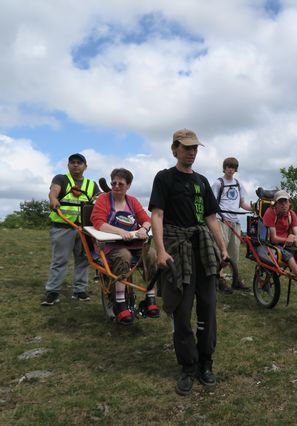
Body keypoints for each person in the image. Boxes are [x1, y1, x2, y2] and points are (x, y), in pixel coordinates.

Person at [149, 128, 230, 396]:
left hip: (202, 250)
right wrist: (160, 251)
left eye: (194, 148)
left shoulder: (202, 181)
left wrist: (222, 248)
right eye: (186, 147)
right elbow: (157, 216)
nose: (191, 152)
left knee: (207, 308)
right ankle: (187, 366)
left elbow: (210, 218)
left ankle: (206, 363)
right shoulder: (164, 178)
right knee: (181, 313)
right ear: (174, 149)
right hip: (176, 250)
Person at [91, 168, 159, 325]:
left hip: (133, 244)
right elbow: (98, 222)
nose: (116, 186)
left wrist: (143, 229)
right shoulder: (104, 200)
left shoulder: (132, 201)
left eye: (121, 183)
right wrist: (120, 232)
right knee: (124, 256)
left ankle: (150, 297)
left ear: (128, 185)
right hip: (110, 245)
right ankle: (120, 303)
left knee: (152, 255)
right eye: (113, 183)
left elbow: (145, 219)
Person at [41, 153, 100, 306]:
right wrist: (53, 199)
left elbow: (99, 198)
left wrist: (97, 199)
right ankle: (53, 292)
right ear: (68, 165)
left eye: (79, 163)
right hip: (63, 227)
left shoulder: (91, 184)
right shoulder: (61, 179)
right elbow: (53, 191)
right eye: (72, 162)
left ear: (85, 167)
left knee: (83, 261)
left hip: (84, 229)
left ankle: (80, 290)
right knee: (59, 261)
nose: (75, 165)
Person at [211, 157, 252, 292]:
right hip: (221, 221)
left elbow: (242, 203)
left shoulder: (238, 184)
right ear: (224, 168)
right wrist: (219, 216)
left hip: (235, 221)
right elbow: (212, 203)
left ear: (235, 169)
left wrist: (254, 208)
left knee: (234, 252)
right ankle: (220, 279)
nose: (230, 169)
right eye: (228, 167)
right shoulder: (218, 183)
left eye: (233, 167)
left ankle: (236, 280)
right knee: (221, 251)